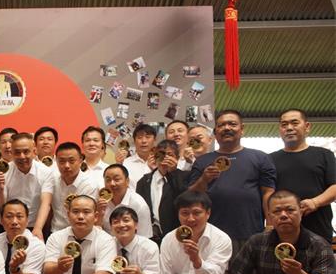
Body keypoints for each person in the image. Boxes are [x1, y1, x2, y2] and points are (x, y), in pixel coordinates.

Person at [188, 109, 276, 256]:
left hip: (250, 232)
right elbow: (191, 197)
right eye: (221, 125)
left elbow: (268, 193)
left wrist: (270, 225)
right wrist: (204, 179)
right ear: (215, 133)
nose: (227, 128)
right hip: (211, 233)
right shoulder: (202, 161)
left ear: (242, 129)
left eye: (232, 124)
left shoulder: (260, 158)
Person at [269, 109, 335, 243]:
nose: (289, 128)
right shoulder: (269, 159)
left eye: (294, 123)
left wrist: (315, 202)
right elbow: (266, 193)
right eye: (284, 124)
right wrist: (269, 223)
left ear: (307, 126)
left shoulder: (324, 155)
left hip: (318, 228)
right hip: (282, 230)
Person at [0, 133, 54, 240]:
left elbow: (46, 203)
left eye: (26, 152)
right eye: (17, 152)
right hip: (9, 226)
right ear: (12, 153)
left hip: (36, 225)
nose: (22, 156)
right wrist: (0, 189)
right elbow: (0, 208)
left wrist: (38, 228)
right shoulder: (4, 172)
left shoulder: (46, 172)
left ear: (34, 152)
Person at [136, 140, 190, 244]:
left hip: (178, 234)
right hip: (150, 237)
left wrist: (173, 172)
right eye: (161, 155)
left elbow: (185, 201)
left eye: (170, 155)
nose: (165, 159)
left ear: (177, 158)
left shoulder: (185, 177)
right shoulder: (143, 182)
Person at [50, 142, 99, 233]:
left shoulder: (89, 184)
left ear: (80, 161)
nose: (66, 166)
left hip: (80, 232)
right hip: (55, 231)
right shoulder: (52, 180)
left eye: (71, 161)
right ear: (56, 161)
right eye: (62, 161)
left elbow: (87, 216)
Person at [98, 164, 153, 238]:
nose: (112, 184)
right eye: (108, 180)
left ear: (127, 181)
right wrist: (99, 215)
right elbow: (96, 230)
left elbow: (144, 237)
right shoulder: (102, 201)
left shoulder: (139, 204)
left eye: (117, 179)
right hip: (106, 243)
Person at [122, 124, 156, 189]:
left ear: (154, 140)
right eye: (140, 137)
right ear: (134, 141)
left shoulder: (161, 161)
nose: (144, 141)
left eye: (147, 137)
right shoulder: (126, 163)